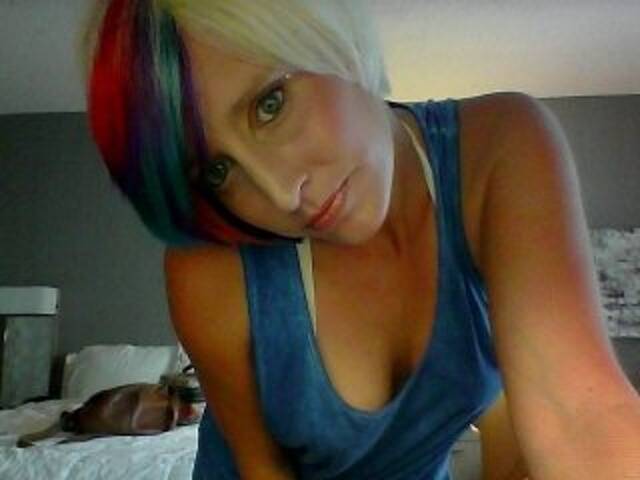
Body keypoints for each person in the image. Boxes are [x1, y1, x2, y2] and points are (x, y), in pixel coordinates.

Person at [83, 1, 640, 479]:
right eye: (218, 171)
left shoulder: (499, 152)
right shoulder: (209, 269)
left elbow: (578, 417)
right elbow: (262, 470)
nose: (280, 192)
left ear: (329, 31)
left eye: (270, 104)